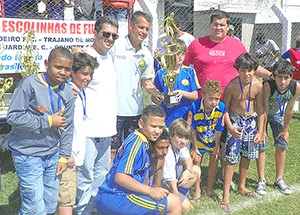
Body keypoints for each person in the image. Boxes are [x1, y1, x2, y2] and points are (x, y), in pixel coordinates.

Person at [7, 47, 75, 215]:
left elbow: (69, 127)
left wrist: (64, 157)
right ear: (47, 64)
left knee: (50, 207)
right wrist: (48, 121)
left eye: (67, 69)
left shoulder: (67, 91)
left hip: (52, 156)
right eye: (58, 67)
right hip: (28, 156)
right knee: (34, 210)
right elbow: (14, 117)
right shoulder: (29, 84)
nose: (62, 72)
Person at [96, 105, 182, 215]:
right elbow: (120, 177)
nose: (157, 131)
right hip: (116, 197)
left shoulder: (141, 140)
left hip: (117, 196)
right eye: (153, 126)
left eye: (161, 127)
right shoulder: (136, 144)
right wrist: (151, 191)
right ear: (141, 123)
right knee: (174, 203)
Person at [73, 16, 119, 214]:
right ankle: (81, 210)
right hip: (88, 128)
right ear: (95, 33)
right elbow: (70, 76)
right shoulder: (85, 56)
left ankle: (95, 208)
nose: (109, 38)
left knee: (101, 174)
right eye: (106, 34)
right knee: (85, 176)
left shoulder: (109, 57)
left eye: (114, 36)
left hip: (107, 128)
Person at [109, 11, 163, 166]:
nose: (144, 32)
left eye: (147, 29)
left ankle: (127, 184)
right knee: (112, 151)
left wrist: (161, 95)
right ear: (131, 26)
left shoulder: (146, 54)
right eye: (140, 27)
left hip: (135, 111)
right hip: (115, 110)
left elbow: (147, 83)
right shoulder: (115, 44)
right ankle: (111, 186)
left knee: (130, 149)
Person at [183, 10, 270, 99]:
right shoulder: (196, 44)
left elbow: (251, 66)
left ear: (228, 27)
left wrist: (271, 76)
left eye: (222, 25)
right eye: (215, 24)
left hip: (230, 100)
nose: (218, 28)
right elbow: (182, 67)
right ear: (210, 25)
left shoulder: (237, 45)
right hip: (203, 100)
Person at [55, 53, 99, 215]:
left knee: (60, 199)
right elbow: (62, 125)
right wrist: (68, 153)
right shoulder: (68, 93)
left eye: (91, 74)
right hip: (67, 156)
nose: (88, 78)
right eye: (84, 74)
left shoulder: (79, 91)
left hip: (73, 155)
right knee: (66, 200)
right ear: (72, 72)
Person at [221, 53, 264, 212]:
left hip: (251, 122)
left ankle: (241, 185)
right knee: (231, 157)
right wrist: (230, 127)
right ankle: (226, 195)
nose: (247, 74)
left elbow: (260, 110)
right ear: (237, 70)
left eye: (250, 70)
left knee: (247, 155)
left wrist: (260, 130)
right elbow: (223, 109)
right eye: (243, 70)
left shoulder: (258, 85)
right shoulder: (232, 86)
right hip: (235, 122)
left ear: (254, 70)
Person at [256, 59, 300, 196]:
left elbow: (289, 109)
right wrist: (262, 130)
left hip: (276, 114)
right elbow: (263, 108)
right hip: (262, 114)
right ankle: (261, 180)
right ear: (273, 76)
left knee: (282, 144)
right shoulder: (268, 86)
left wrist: (285, 130)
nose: (282, 82)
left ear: (291, 78)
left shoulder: (295, 87)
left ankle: (279, 179)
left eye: (286, 78)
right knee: (262, 145)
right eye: (279, 77)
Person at [188, 80, 225, 204]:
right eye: (210, 99)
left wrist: (216, 147)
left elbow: (219, 129)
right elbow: (192, 128)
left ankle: (209, 189)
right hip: (198, 138)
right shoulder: (194, 106)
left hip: (212, 140)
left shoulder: (221, 107)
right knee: (197, 160)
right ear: (203, 96)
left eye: (216, 99)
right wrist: (194, 147)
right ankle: (197, 190)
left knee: (214, 159)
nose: (214, 102)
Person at [152, 39, 200, 127]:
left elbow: (195, 95)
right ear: (170, 55)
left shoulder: (190, 71)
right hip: (167, 117)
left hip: (185, 115)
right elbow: (154, 97)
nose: (181, 57)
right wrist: (164, 101)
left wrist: (183, 93)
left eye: (183, 54)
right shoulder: (161, 73)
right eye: (177, 54)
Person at [161, 118, 200, 214]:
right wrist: (176, 202)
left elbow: (188, 160)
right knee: (185, 207)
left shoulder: (177, 143)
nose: (183, 141)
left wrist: (188, 171)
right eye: (180, 137)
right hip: (158, 183)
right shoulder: (168, 152)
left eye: (186, 138)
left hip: (168, 179)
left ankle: (180, 195)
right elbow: (171, 182)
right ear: (171, 135)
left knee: (195, 170)